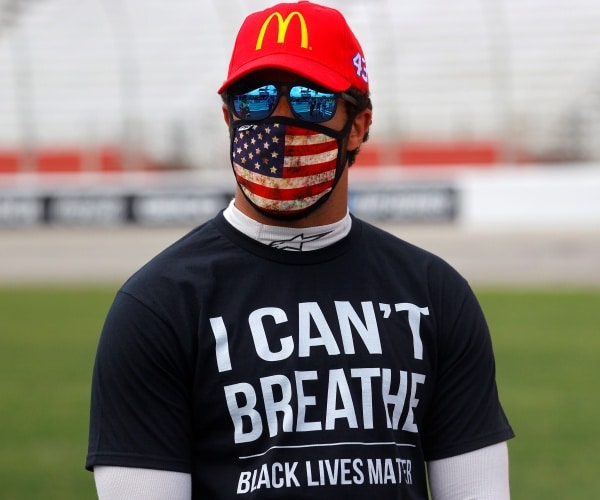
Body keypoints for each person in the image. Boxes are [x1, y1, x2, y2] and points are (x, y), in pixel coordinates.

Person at [86, 1, 514, 498]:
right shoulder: (157, 307)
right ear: (228, 117)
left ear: (357, 124)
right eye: (256, 99)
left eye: (310, 100)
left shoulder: (433, 294)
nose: (279, 122)